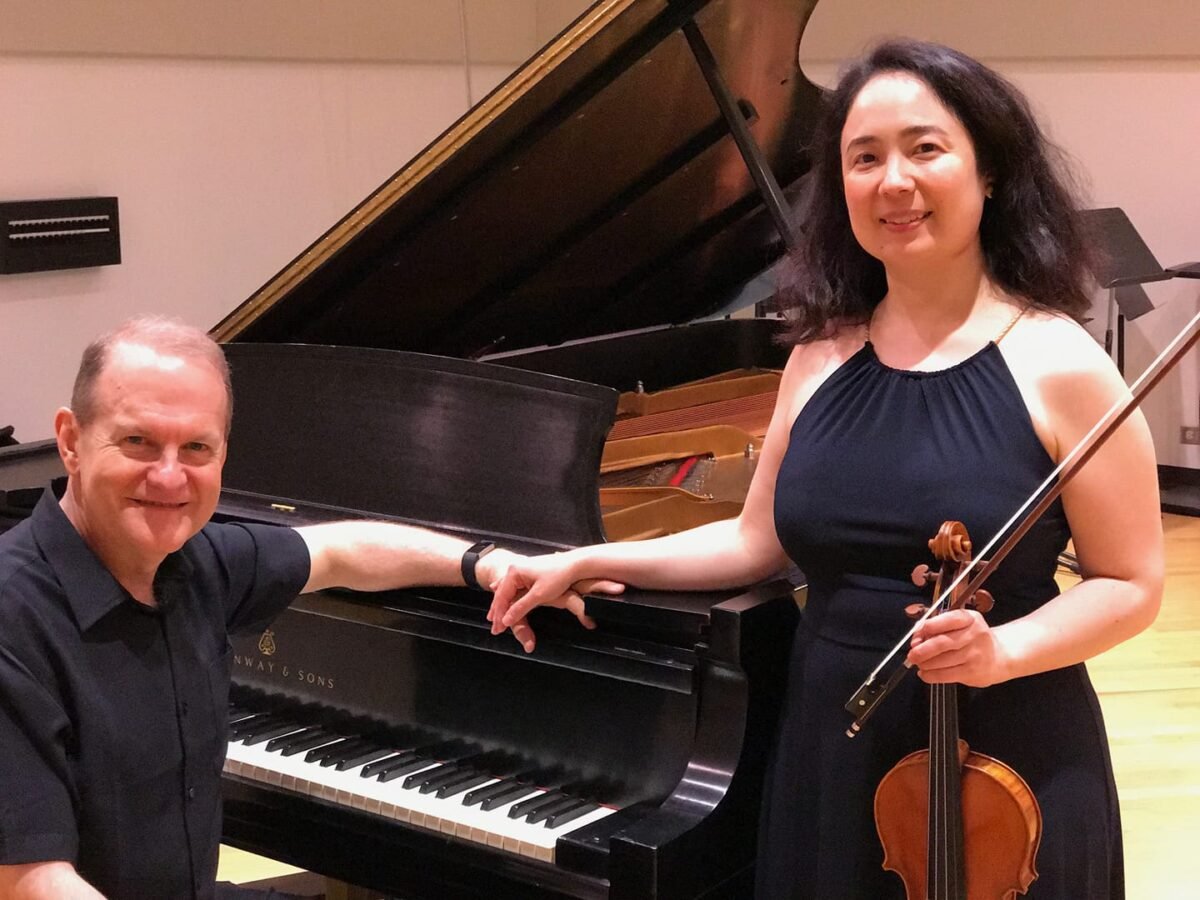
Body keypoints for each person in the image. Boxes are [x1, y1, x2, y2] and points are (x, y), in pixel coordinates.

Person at [487, 38, 1163, 899]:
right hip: (833, 737)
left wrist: (1005, 649)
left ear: (987, 171)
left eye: (925, 148)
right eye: (864, 158)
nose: (894, 182)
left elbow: (1132, 582)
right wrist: (591, 559)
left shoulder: (1061, 364)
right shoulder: (818, 359)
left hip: (1004, 753)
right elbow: (752, 540)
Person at [0, 317, 595, 899]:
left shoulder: (197, 564)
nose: (168, 475)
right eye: (139, 441)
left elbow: (339, 551)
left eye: (197, 448)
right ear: (71, 440)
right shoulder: (14, 614)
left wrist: (484, 564)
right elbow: (28, 882)